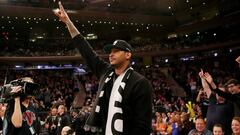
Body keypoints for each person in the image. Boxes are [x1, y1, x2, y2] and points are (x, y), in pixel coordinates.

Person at [54, 2, 153, 135]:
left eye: (117, 51)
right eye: (110, 51)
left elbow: (143, 126)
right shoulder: (106, 72)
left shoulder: (140, 82)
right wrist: (68, 22)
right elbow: (86, 51)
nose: (111, 54)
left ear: (128, 54)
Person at [199, 70, 234, 134]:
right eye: (218, 93)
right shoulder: (213, 99)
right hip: (208, 132)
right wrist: (202, 78)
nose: (219, 94)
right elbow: (206, 88)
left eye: (221, 93)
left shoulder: (229, 103)